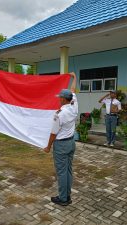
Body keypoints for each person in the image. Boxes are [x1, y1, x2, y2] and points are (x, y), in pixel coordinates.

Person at [44, 72, 78, 206]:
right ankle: (67, 194)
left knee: (62, 173)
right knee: (68, 170)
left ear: (64, 99)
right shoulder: (74, 105)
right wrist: (74, 78)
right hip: (71, 142)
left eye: (60, 97)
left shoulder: (60, 114)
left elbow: (53, 133)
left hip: (61, 145)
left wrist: (48, 147)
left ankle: (64, 198)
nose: (59, 99)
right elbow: (73, 90)